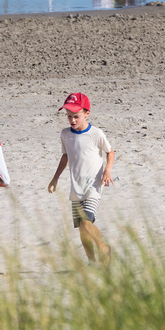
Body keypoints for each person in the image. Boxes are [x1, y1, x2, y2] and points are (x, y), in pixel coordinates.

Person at [48, 93, 115, 267]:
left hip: (93, 186)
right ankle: (92, 262)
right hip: (75, 189)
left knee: (86, 223)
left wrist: (107, 170)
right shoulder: (65, 134)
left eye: (76, 116)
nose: (72, 120)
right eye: (69, 116)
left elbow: (110, 152)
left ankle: (104, 248)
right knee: (82, 230)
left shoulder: (95, 133)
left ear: (86, 114)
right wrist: (55, 178)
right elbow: (65, 157)